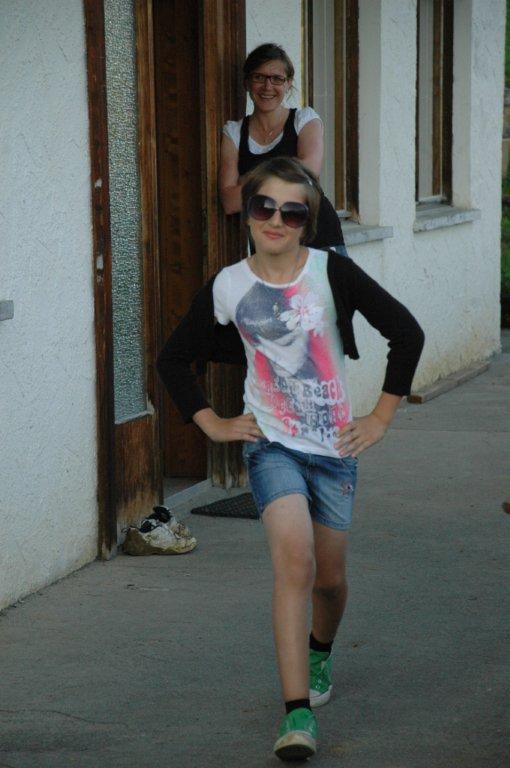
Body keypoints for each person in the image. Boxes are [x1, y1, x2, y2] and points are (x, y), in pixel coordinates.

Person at [157, 157, 425, 761]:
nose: (276, 220)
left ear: (308, 221)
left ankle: (320, 651)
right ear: (248, 213)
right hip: (272, 446)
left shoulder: (332, 273)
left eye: (293, 212)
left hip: (335, 450)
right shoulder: (229, 286)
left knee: (329, 581)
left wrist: (380, 418)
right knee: (295, 564)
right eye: (264, 207)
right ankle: (296, 714)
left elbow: (406, 333)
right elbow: (174, 357)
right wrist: (211, 422)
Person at [220, 42, 345, 252]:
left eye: (277, 79)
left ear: (288, 84)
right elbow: (230, 201)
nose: (267, 86)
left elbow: (308, 174)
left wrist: (249, 179)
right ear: (247, 83)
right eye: (259, 77)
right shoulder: (234, 132)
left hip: (318, 241)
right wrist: (289, 169)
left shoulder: (304, 120)